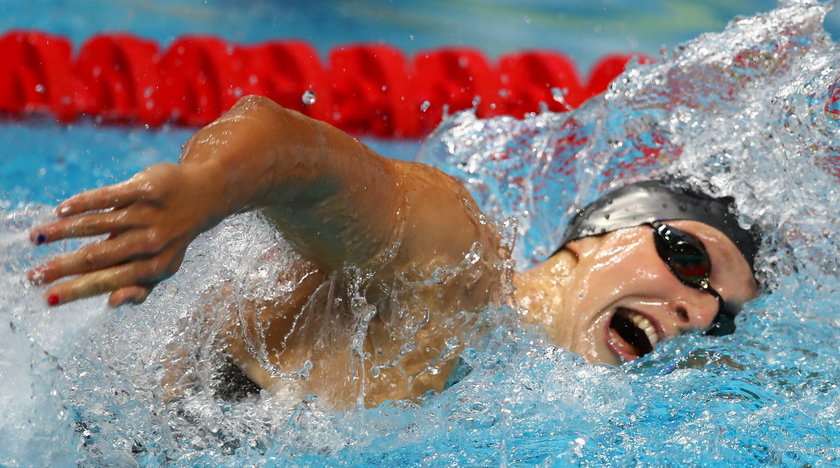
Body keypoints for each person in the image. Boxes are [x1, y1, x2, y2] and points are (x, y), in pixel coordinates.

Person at [27, 95, 759, 407]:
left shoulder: (511, 389)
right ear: (607, 231)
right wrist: (201, 189)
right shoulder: (461, 261)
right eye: (690, 260)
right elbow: (299, 151)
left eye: (720, 316)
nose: (696, 310)